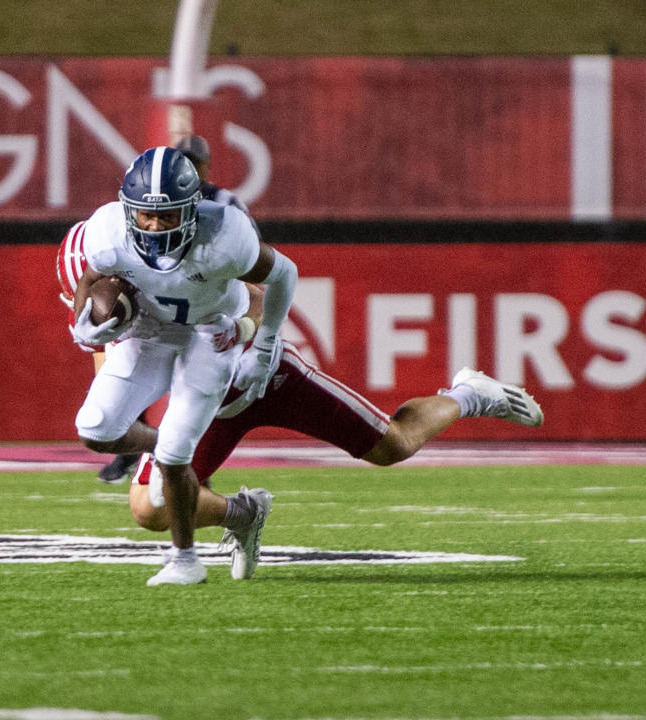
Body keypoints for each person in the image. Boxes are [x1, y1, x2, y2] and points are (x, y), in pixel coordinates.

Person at [59, 246, 544, 581]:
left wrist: (252, 334)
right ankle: (243, 514)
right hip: (208, 406)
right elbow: (115, 387)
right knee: (150, 504)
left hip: (266, 378)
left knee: (393, 445)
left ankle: (470, 395)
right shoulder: (101, 312)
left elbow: (252, 293)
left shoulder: (171, 262)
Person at [69, 145, 298, 586]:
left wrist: (265, 339)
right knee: (96, 428)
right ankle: (242, 512)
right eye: (145, 215)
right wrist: (86, 325)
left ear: (192, 208)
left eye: (168, 216)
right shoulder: (107, 230)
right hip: (151, 330)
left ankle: (185, 560)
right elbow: (92, 280)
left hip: (212, 332)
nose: (154, 226)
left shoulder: (225, 235)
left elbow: (283, 272)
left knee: (175, 454)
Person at [95, 134, 255, 484]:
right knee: (112, 360)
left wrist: (246, 321)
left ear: (205, 168)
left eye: (195, 163)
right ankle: (132, 450)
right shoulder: (136, 210)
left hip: (203, 308)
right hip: (150, 308)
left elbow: (252, 268)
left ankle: (183, 456)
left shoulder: (226, 209)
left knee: (199, 387)